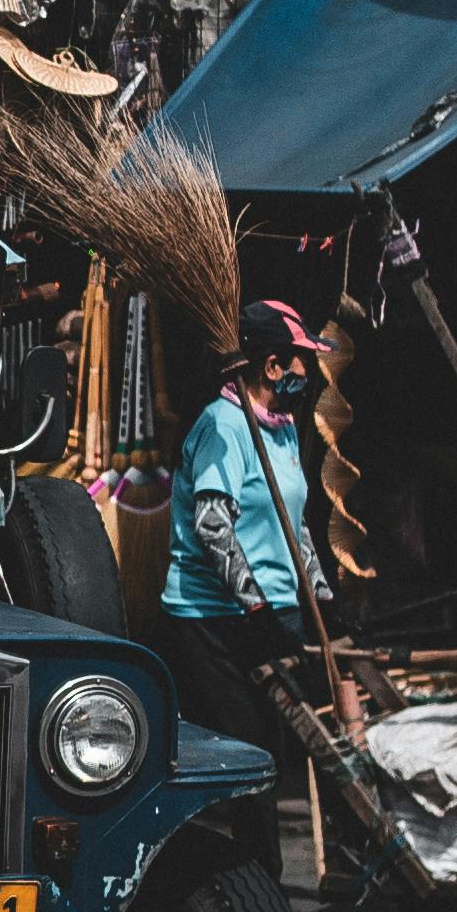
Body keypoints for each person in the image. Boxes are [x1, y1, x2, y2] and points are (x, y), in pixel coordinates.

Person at [157, 299, 335, 750]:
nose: (310, 373)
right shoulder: (224, 425)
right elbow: (213, 525)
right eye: (304, 360)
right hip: (217, 621)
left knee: (288, 750)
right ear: (273, 366)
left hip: (277, 615)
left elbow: (295, 525)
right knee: (246, 751)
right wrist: (257, 610)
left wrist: (322, 596)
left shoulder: (284, 427)